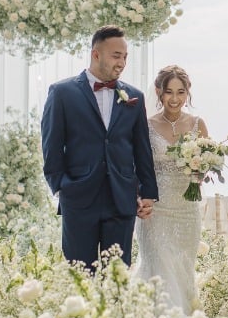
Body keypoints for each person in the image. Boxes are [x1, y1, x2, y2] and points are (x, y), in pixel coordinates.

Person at [40, 25, 157, 269]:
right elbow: (51, 147)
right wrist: (62, 189)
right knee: (80, 277)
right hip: (79, 199)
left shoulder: (134, 96)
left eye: (125, 57)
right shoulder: (62, 93)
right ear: (96, 54)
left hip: (121, 200)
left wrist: (148, 193)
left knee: (117, 278)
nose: (122, 62)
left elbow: (141, 149)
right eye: (116, 55)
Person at [134, 64, 207, 313]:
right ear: (158, 92)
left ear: (188, 92)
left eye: (180, 92)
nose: (174, 99)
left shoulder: (199, 124)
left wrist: (201, 170)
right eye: (169, 92)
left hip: (187, 213)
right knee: (159, 271)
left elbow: (205, 167)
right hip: (156, 212)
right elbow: (137, 167)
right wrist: (139, 198)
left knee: (182, 272)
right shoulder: (146, 125)